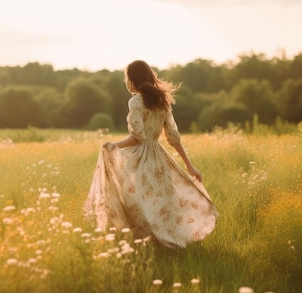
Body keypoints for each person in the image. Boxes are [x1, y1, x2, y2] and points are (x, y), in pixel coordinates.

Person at [83, 60, 218, 248]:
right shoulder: (162, 101)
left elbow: (137, 137)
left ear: (132, 79)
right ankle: (164, 240)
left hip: (141, 158)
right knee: (162, 200)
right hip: (159, 156)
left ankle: (148, 242)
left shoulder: (136, 101)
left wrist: (112, 145)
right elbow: (173, 137)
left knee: (138, 201)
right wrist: (189, 165)